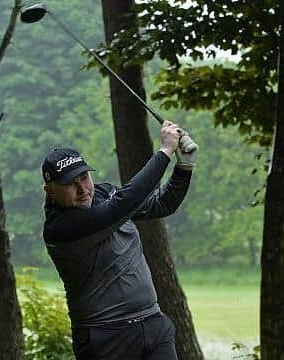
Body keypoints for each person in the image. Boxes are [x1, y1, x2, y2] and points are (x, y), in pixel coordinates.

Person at [41, 121, 197, 360]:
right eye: (70, 184)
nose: (82, 188)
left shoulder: (104, 193)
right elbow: (123, 204)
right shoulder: (61, 228)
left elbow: (163, 203)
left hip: (153, 324)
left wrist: (184, 166)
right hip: (106, 338)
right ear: (50, 191)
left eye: (84, 177)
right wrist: (165, 152)